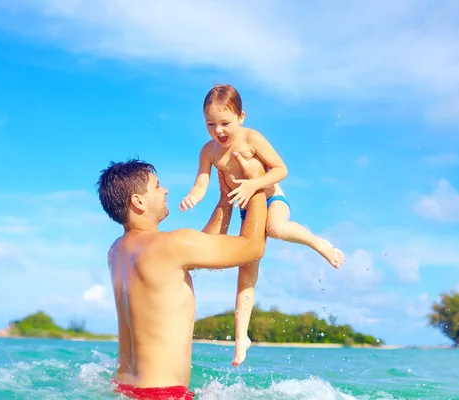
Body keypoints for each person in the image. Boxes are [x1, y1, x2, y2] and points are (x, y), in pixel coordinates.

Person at [180, 83, 346, 366]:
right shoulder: (208, 151)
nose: (218, 131)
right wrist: (193, 197)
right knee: (246, 272)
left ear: (241, 117)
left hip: (272, 199)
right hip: (247, 211)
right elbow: (202, 181)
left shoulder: (251, 138)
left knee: (277, 229)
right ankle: (241, 338)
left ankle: (317, 242)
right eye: (210, 124)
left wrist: (253, 184)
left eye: (225, 123)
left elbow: (281, 169)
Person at [97, 156, 268, 400]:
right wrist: (257, 184)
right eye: (157, 186)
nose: (165, 190)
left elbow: (198, 251)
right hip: (162, 394)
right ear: (138, 201)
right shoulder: (171, 245)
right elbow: (252, 248)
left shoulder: (117, 251)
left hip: (125, 389)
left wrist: (225, 200)